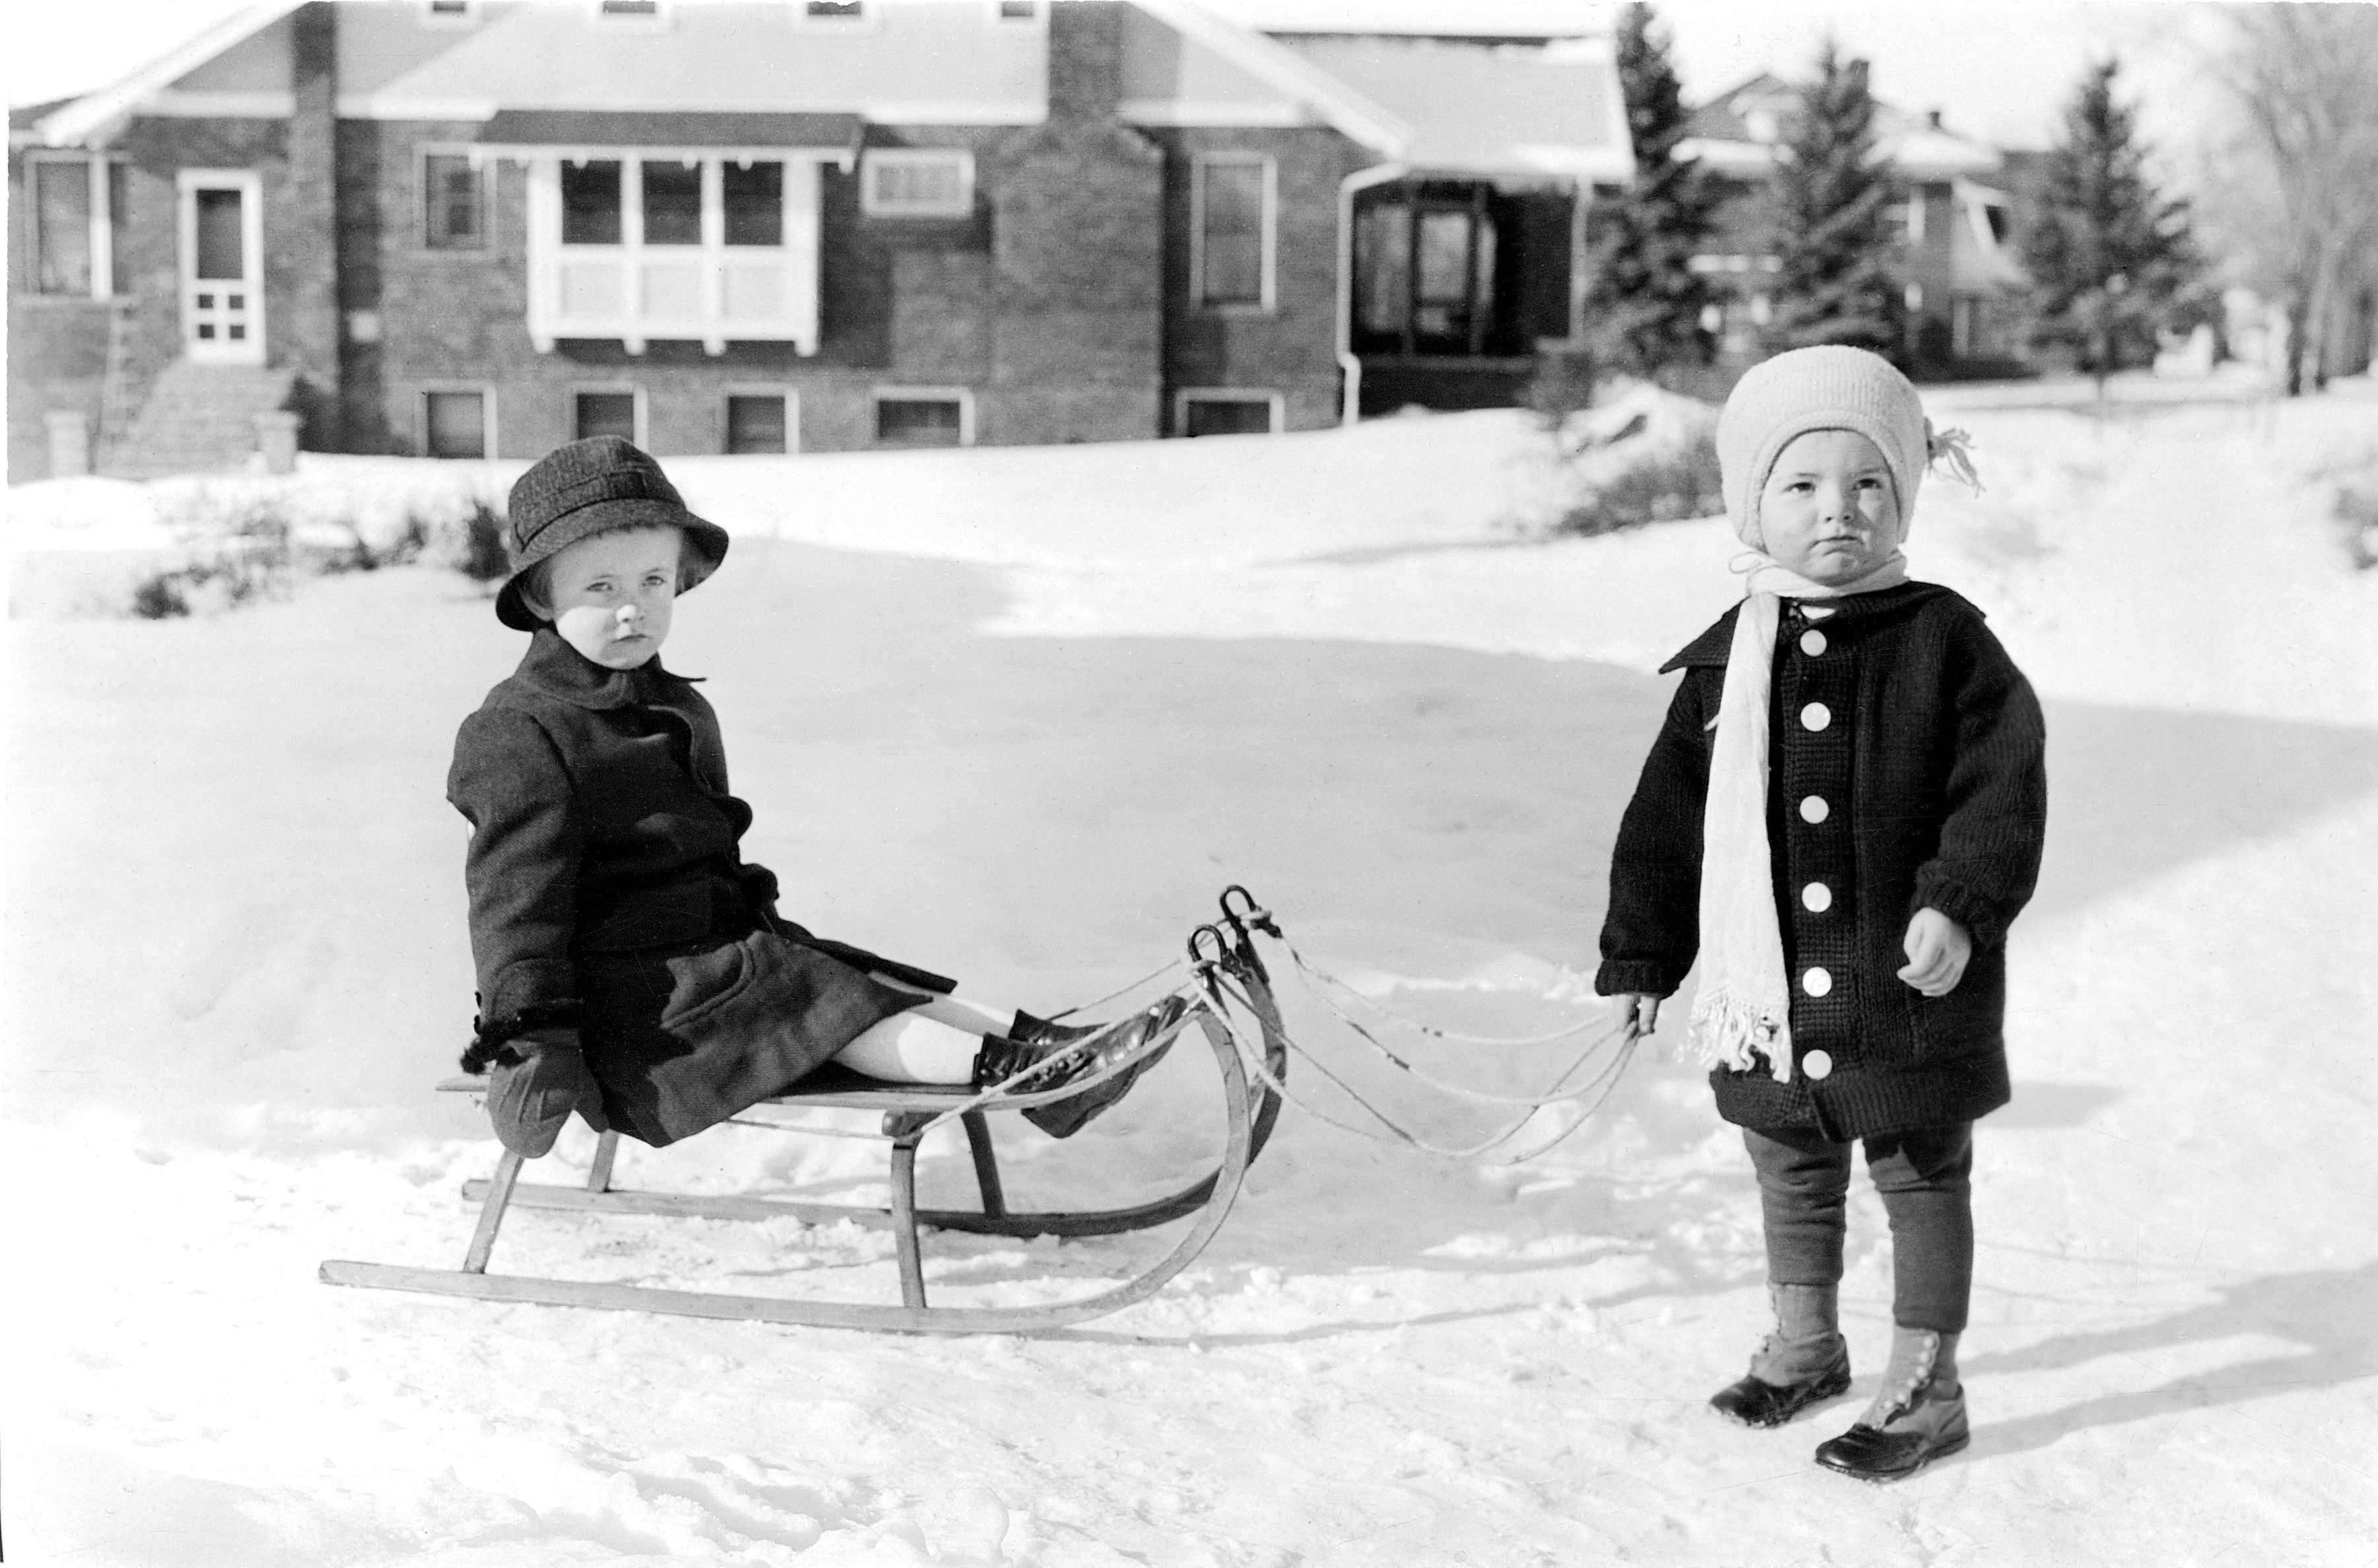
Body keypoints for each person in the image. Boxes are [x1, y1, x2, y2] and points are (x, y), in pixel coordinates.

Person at [449, 436, 1183, 1160]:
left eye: (653, 583)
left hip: (709, 969)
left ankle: (1046, 1049)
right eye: (599, 588)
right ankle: (1029, 1077)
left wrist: (759, 927)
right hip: (636, 1020)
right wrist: (532, 1038)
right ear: (543, 597)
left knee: (855, 976)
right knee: (821, 999)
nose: (632, 610)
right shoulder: (518, 732)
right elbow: (515, 909)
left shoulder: (672, 706)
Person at [1595, 347, 2046, 1483]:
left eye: (1867, 484)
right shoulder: (1724, 664)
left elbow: (2001, 786)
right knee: (1789, 1155)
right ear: (1753, 503)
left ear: (1904, 494)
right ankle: (1807, 1339)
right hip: (1776, 983)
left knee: (1918, 1166)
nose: (1837, 510)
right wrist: (1645, 949)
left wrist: (1959, 902)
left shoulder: (1945, 642)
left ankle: (1928, 1382)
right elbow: (1670, 818)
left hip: (1906, 979)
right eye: (1802, 486)